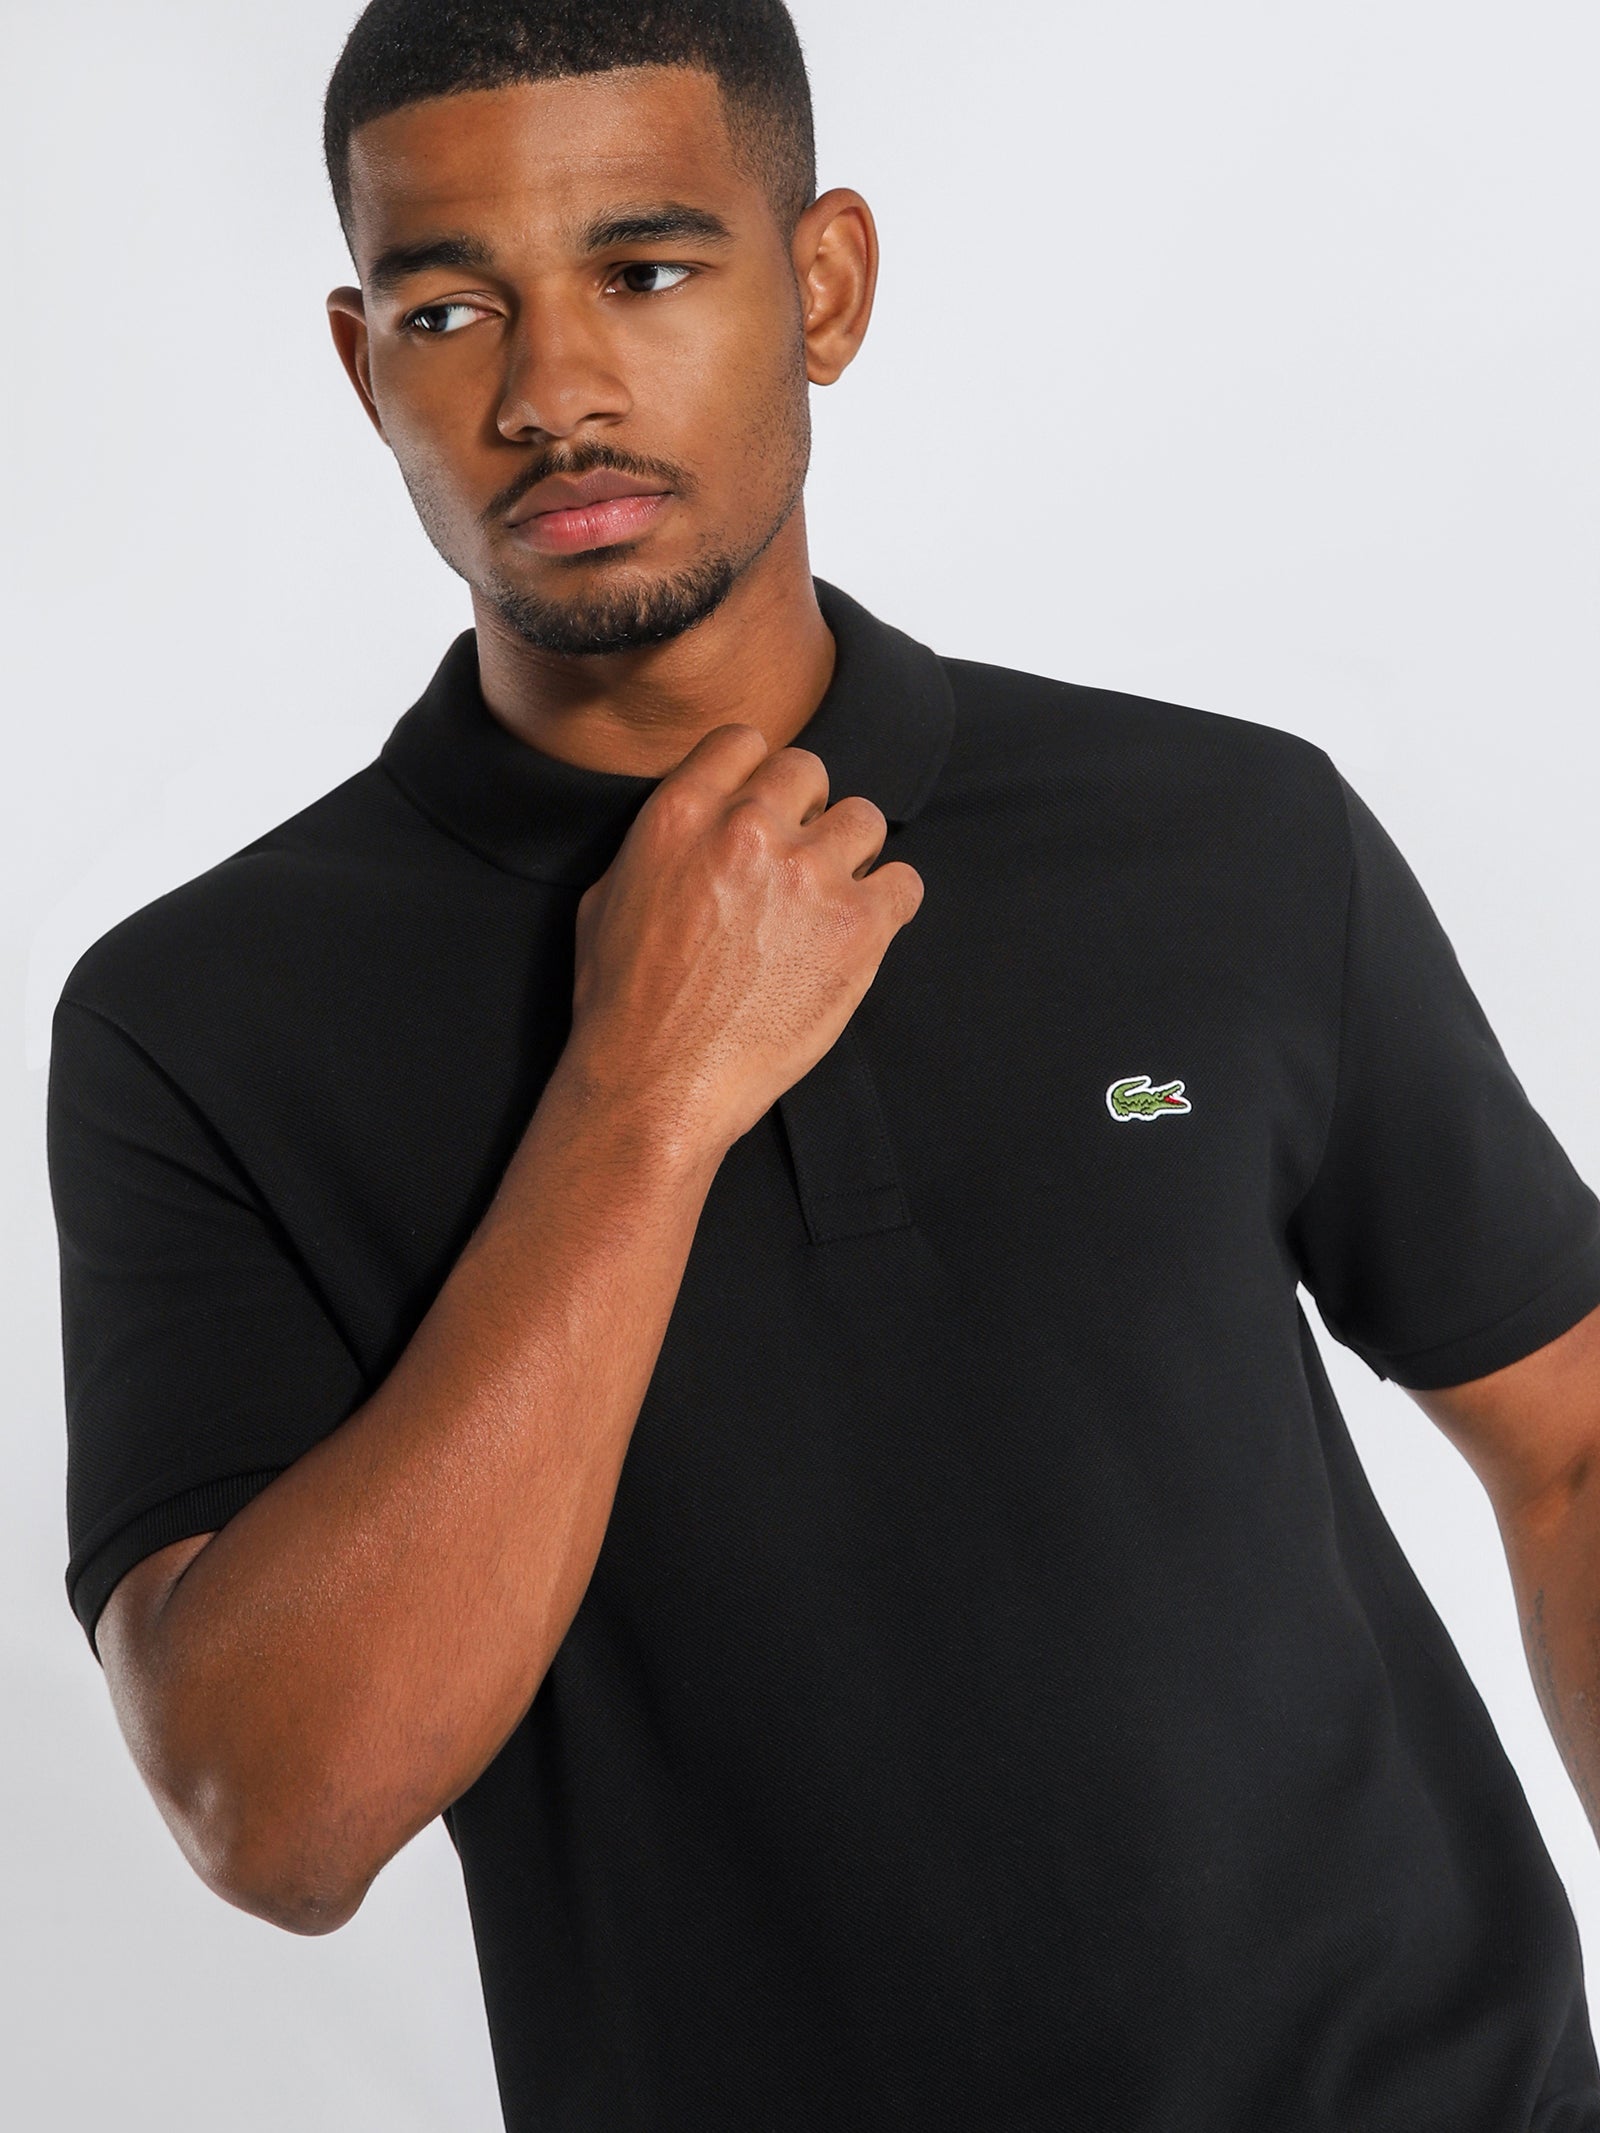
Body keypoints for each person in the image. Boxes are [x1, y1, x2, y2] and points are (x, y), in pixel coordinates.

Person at [45, 1, 1600, 2127]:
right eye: (448, 309)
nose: (551, 390)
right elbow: (275, 1812)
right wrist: (638, 1098)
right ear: (362, 365)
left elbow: (1569, 1439)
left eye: (642, 269)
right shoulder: (204, 1018)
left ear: (825, 285)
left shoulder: (1225, 836)